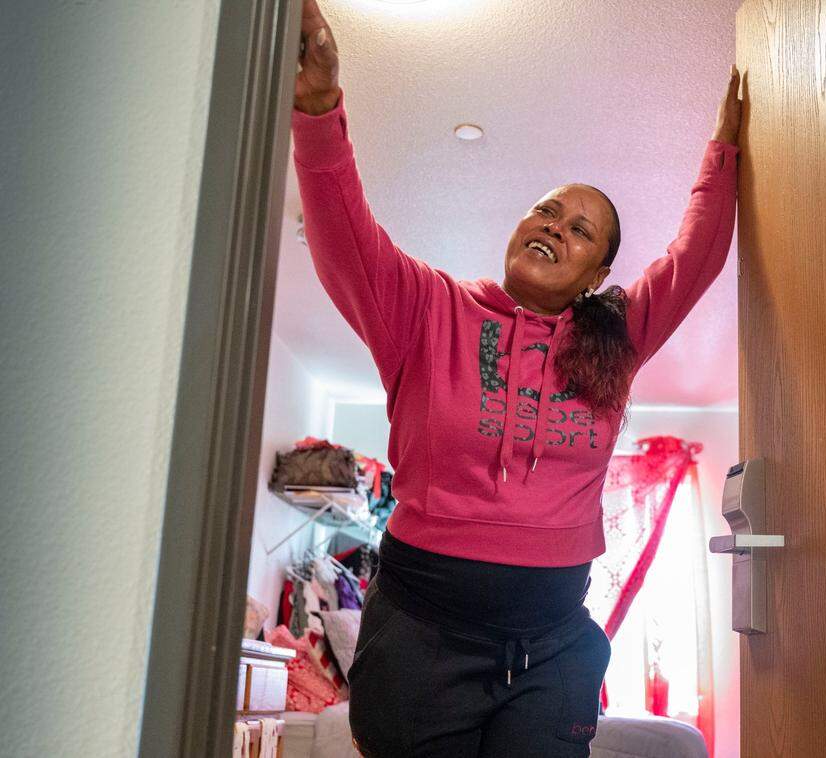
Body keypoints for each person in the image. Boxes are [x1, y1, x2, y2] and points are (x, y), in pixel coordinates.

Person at [292, 0, 742, 755]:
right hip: (420, 634)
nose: (552, 226)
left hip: (552, 643)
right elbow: (346, 239)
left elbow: (693, 257)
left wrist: (725, 151)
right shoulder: (428, 308)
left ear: (599, 272)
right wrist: (318, 109)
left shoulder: (614, 337)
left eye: (578, 229)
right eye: (544, 210)